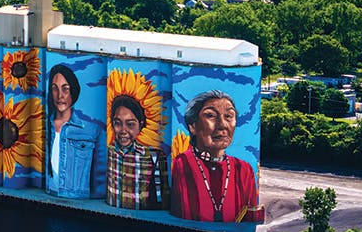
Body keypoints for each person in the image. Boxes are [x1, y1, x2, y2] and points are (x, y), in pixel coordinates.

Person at [170, 90, 262, 223]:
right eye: (211, 115)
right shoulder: (182, 163)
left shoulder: (243, 169)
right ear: (192, 126)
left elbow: (250, 217)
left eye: (229, 116)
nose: (222, 125)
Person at [105, 95, 168, 209]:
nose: (123, 130)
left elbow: (162, 197)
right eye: (118, 123)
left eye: (130, 124)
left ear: (140, 124)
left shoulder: (153, 156)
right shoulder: (108, 152)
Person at [45, 64, 99, 199]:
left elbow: (99, 178)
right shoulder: (44, 125)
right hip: (48, 197)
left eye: (65, 89)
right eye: (54, 89)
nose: (60, 96)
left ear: (73, 92)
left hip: (77, 201)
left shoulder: (90, 130)